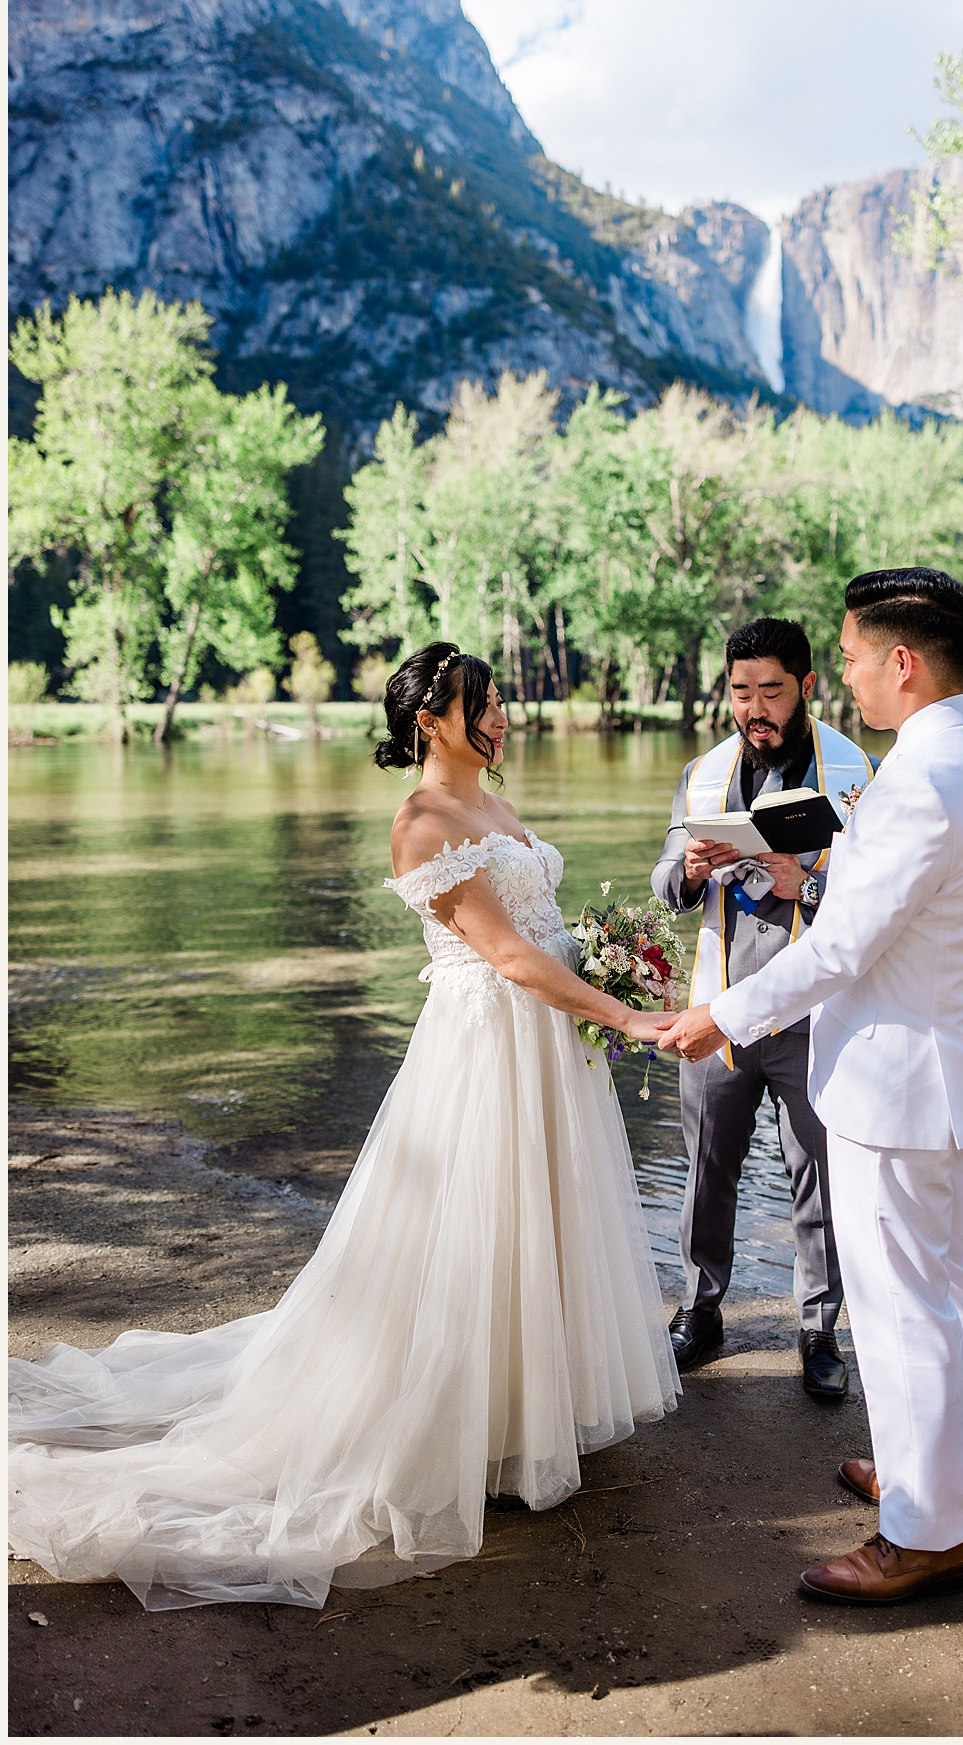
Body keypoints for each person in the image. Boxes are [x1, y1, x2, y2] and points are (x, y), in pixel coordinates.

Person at [8, 645, 679, 1611]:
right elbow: (504, 954)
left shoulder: (491, 800)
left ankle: (519, 1408)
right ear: (432, 720)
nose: (499, 715)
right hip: (486, 1054)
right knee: (469, 1235)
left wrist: (613, 961)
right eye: (480, 704)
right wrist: (624, 1015)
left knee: (536, 1228)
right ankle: (437, 1428)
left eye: (496, 700)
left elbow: (542, 933)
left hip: (543, 1052)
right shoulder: (422, 823)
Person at [659, 568, 963, 1608]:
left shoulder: (919, 779)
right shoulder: (960, 752)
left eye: (853, 657)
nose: (845, 675)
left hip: (898, 1083)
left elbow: (843, 948)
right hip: (934, 1073)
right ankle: (953, 1472)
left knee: (904, 1306)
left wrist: (721, 1013)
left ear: (902, 662)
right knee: (947, 1285)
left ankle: (922, 1532)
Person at [651, 617, 873, 1399]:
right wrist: (688, 866)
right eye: (741, 691)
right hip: (718, 1008)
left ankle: (818, 1328)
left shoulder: (854, 771)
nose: (755, 707)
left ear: (807, 687)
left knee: (818, 1173)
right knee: (706, 1167)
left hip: (814, 1016)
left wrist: (804, 883)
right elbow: (665, 883)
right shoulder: (704, 772)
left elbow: (882, 904)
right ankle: (700, 1309)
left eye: (770, 690)